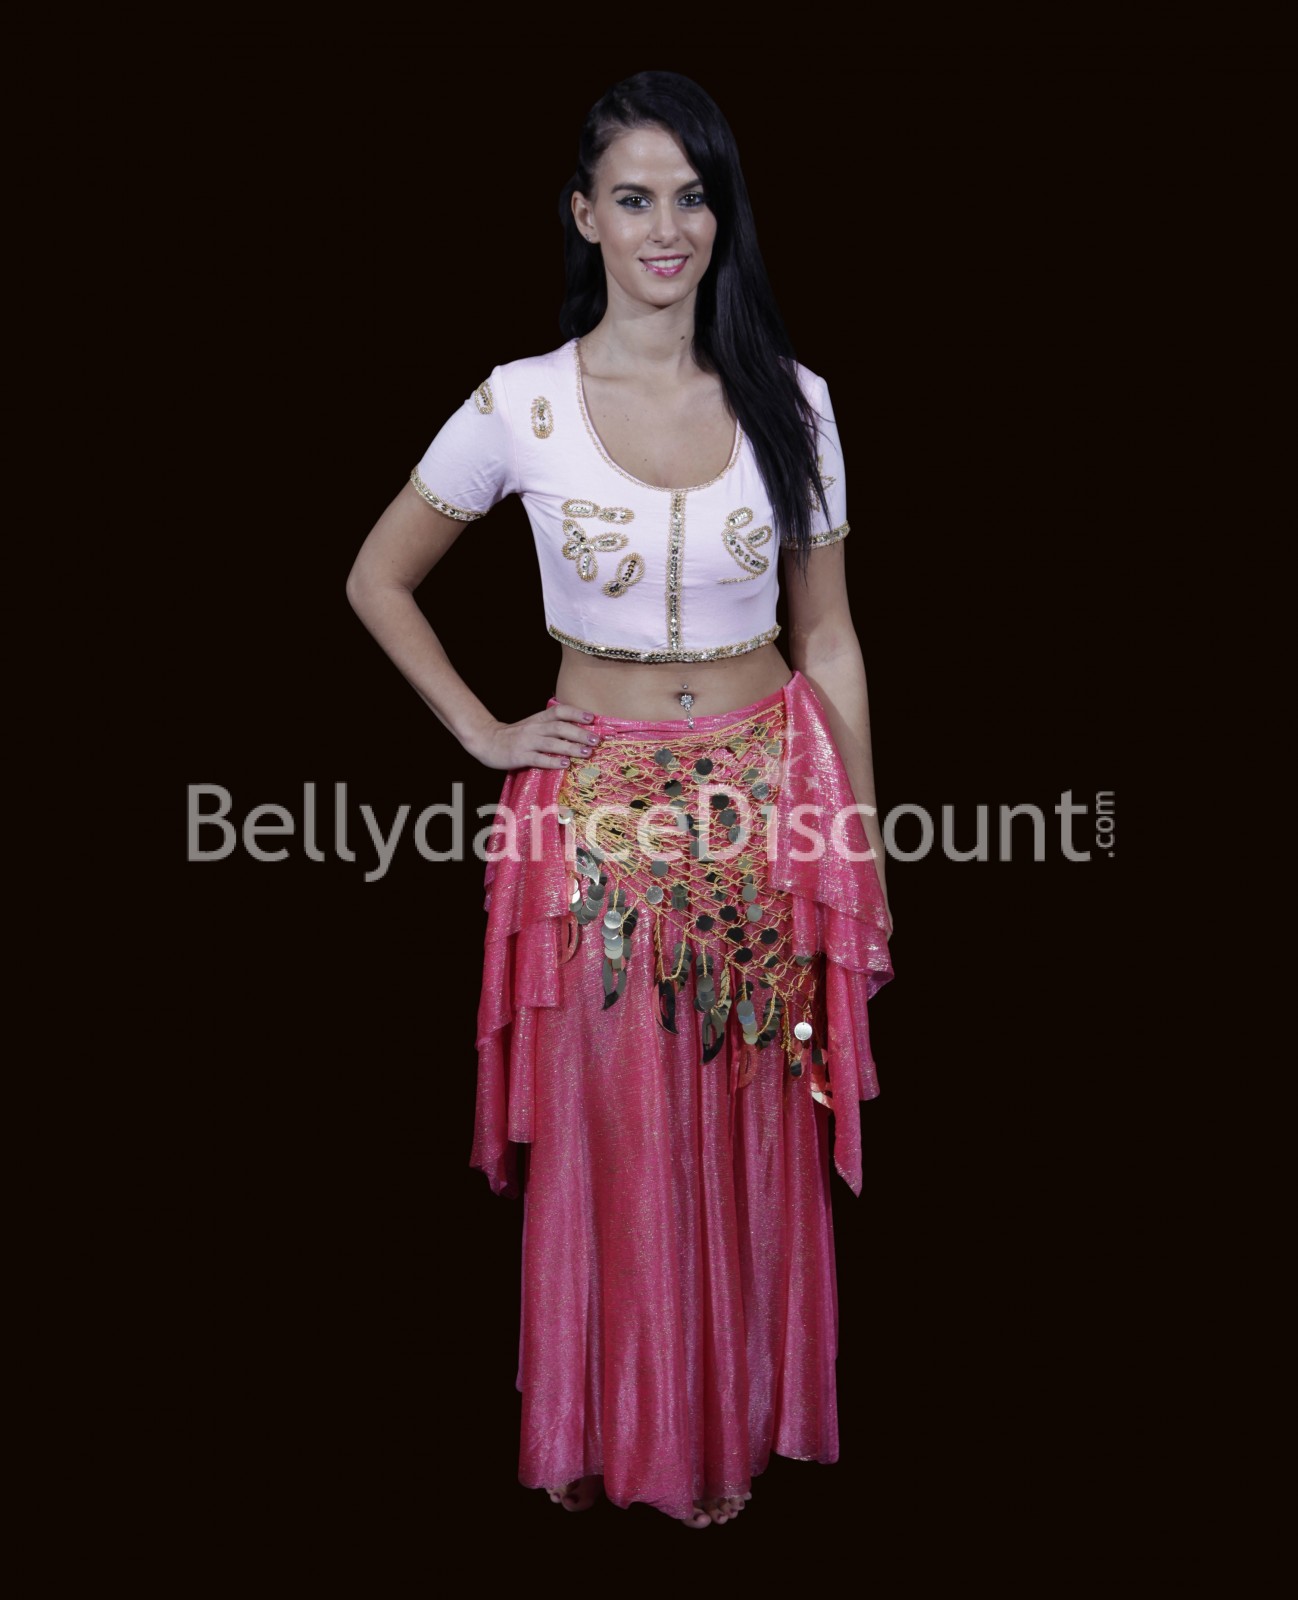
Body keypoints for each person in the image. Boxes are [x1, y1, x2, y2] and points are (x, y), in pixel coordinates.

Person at [346, 70, 894, 1529]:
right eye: (636, 198)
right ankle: (625, 1435)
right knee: (621, 1135)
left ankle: (720, 1442)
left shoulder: (794, 402)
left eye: (693, 197)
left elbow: (831, 639)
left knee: (747, 1123)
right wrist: (482, 731)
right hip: (591, 818)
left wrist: (855, 842)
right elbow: (377, 576)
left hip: (766, 803)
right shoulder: (520, 403)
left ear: (722, 216)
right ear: (584, 216)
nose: (668, 228)